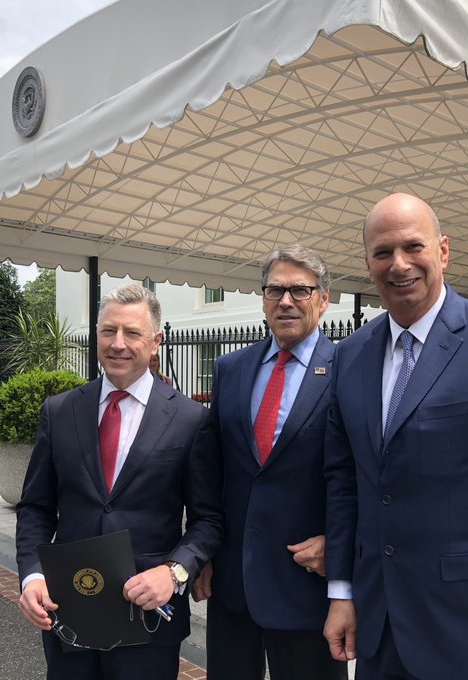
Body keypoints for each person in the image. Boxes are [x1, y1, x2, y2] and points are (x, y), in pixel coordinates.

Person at [16, 284, 223, 680]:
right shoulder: (60, 412)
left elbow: (208, 520)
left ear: (157, 341)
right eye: (108, 331)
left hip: (148, 617)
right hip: (68, 609)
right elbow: (35, 509)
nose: (118, 344)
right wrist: (32, 574)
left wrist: (176, 572)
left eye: (132, 333)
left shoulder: (190, 420)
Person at [323, 192, 468, 680]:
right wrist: (343, 591)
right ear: (368, 263)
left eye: (413, 247)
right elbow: (344, 482)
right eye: (383, 253)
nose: (399, 264)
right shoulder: (350, 356)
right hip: (377, 622)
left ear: (443, 251)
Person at [193, 243, 347, 680]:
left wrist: (340, 542)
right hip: (233, 584)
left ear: (324, 298)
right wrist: (202, 551)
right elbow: (211, 468)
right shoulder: (231, 368)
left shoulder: (348, 369)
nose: (286, 301)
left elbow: (362, 473)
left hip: (307, 584)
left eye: (300, 290)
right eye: (274, 290)